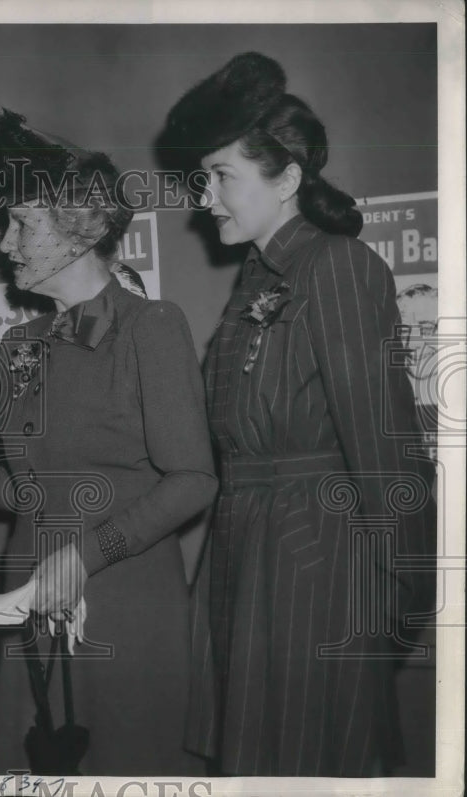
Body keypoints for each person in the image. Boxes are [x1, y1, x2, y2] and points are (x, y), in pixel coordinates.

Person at [0, 109, 217, 775]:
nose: (5, 244)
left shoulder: (149, 326)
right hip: (30, 599)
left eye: (23, 224)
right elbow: (27, 495)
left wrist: (85, 557)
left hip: (126, 605)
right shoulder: (19, 345)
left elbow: (194, 478)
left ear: (81, 230)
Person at [161, 52, 436, 776]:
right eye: (203, 176)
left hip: (317, 567)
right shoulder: (259, 276)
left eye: (221, 176)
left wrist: (402, 595)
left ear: (285, 179)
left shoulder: (338, 267)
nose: (206, 196)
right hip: (247, 561)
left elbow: (387, 447)